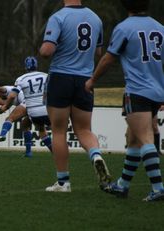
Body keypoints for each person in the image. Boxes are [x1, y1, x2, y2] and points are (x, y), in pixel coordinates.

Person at [85, 0, 164, 201]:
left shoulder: (124, 28)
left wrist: (93, 80)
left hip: (137, 91)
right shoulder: (160, 27)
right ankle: (123, 185)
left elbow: (109, 58)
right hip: (157, 91)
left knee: (144, 137)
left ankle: (158, 188)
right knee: (133, 138)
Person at [39, 0, 111, 192]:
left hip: (61, 77)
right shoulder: (96, 18)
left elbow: (47, 51)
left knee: (59, 130)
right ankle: (95, 155)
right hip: (85, 80)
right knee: (84, 130)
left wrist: (44, 48)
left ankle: (63, 182)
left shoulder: (59, 17)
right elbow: (97, 51)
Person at [0, 57, 53, 154]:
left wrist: (5, 106)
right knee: (50, 131)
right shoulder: (46, 76)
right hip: (46, 109)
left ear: (25, 67)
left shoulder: (21, 79)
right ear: (36, 65)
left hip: (32, 110)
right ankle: (55, 152)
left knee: (11, 119)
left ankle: (2, 134)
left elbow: (11, 96)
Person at [0, 85, 34, 157]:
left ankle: (2, 135)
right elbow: (1, 110)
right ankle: (28, 153)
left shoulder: (7, 89)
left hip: (27, 101)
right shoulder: (9, 100)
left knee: (9, 119)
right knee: (25, 125)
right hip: (35, 105)